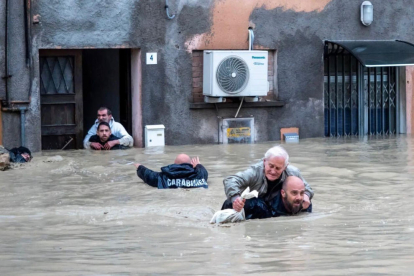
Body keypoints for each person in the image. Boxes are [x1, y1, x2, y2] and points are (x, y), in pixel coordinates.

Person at [221, 145, 314, 215]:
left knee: (306, 204)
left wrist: (306, 195)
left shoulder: (293, 172)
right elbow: (230, 180)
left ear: (285, 167)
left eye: (278, 168)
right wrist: (236, 199)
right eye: (271, 166)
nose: (273, 171)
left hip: (274, 205)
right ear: (264, 162)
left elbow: (307, 188)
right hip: (256, 204)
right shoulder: (254, 172)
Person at [134, 154, 208, 189]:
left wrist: (140, 167)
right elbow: (204, 174)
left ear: (174, 164)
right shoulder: (199, 175)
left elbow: (150, 176)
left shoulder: (164, 176)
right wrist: (199, 166)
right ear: (191, 165)